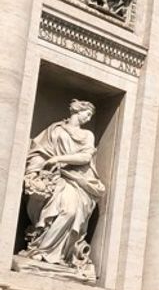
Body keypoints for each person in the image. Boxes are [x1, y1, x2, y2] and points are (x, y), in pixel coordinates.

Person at [19, 99, 105, 279]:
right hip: (54, 177)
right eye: (86, 113)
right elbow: (40, 150)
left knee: (70, 211)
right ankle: (41, 252)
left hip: (76, 180)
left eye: (90, 116)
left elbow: (85, 157)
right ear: (77, 110)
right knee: (53, 212)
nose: (88, 118)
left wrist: (58, 159)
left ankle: (52, 253)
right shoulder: (55, 129)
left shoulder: (88, 135)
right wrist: (36, 171)